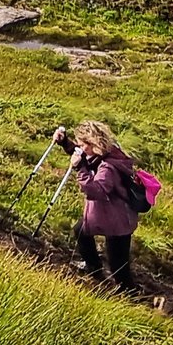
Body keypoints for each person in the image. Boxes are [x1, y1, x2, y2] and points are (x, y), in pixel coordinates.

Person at [53, 121, 139, 292]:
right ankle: (93, 266)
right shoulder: (106, 154)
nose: (80, 147)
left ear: (93, 143)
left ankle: (132, 298)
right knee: (81, 231)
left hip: (117, 221)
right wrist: (65, 143)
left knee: (119, 268)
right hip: (106, 213)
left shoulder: (108, 167)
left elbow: (96, 190)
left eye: (83, 143)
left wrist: (80, 169)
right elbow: (87, 159)